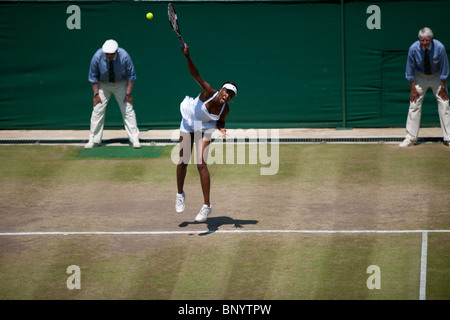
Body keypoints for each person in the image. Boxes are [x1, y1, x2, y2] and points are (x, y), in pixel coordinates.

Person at [175, 43, 238, 223]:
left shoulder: (225, 110)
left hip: (205, 127)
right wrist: (187, 56)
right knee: (183, 160)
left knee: (201, 164)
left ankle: (206, 206)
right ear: (222, 89)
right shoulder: (208, 91)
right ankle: (180, 194)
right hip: (189, 121)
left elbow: (221, 120)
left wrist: (221, 127)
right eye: (227, 91)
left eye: (231, 95)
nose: (228, 95)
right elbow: (195, 74)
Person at [85, 39, 141, 149]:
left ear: (116, 51)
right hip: (103, 84)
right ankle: (93, 140)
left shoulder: (124, 56)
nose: (108, 56)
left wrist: (128, 94)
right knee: (97, 110)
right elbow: (93, 77)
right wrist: (96, 94)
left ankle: (134, 139)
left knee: (128, 110)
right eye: (107, 54)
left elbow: (131, 76)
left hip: (121, 84)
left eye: (111, 54)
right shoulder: (97, 56)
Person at [400, 27, 450, 147]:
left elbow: (445, 68)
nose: (424, 43)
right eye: (422, 40)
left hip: (437, 76)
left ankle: (449, 138)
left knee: (444, 104)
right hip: (419, 76)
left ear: (431, 39)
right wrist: (413, 88)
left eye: (427, 40)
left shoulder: (440, 47)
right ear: (419, 40)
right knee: (414, 104)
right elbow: (409, 69)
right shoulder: (413, 48)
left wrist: (443, 87)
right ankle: (410, 138)